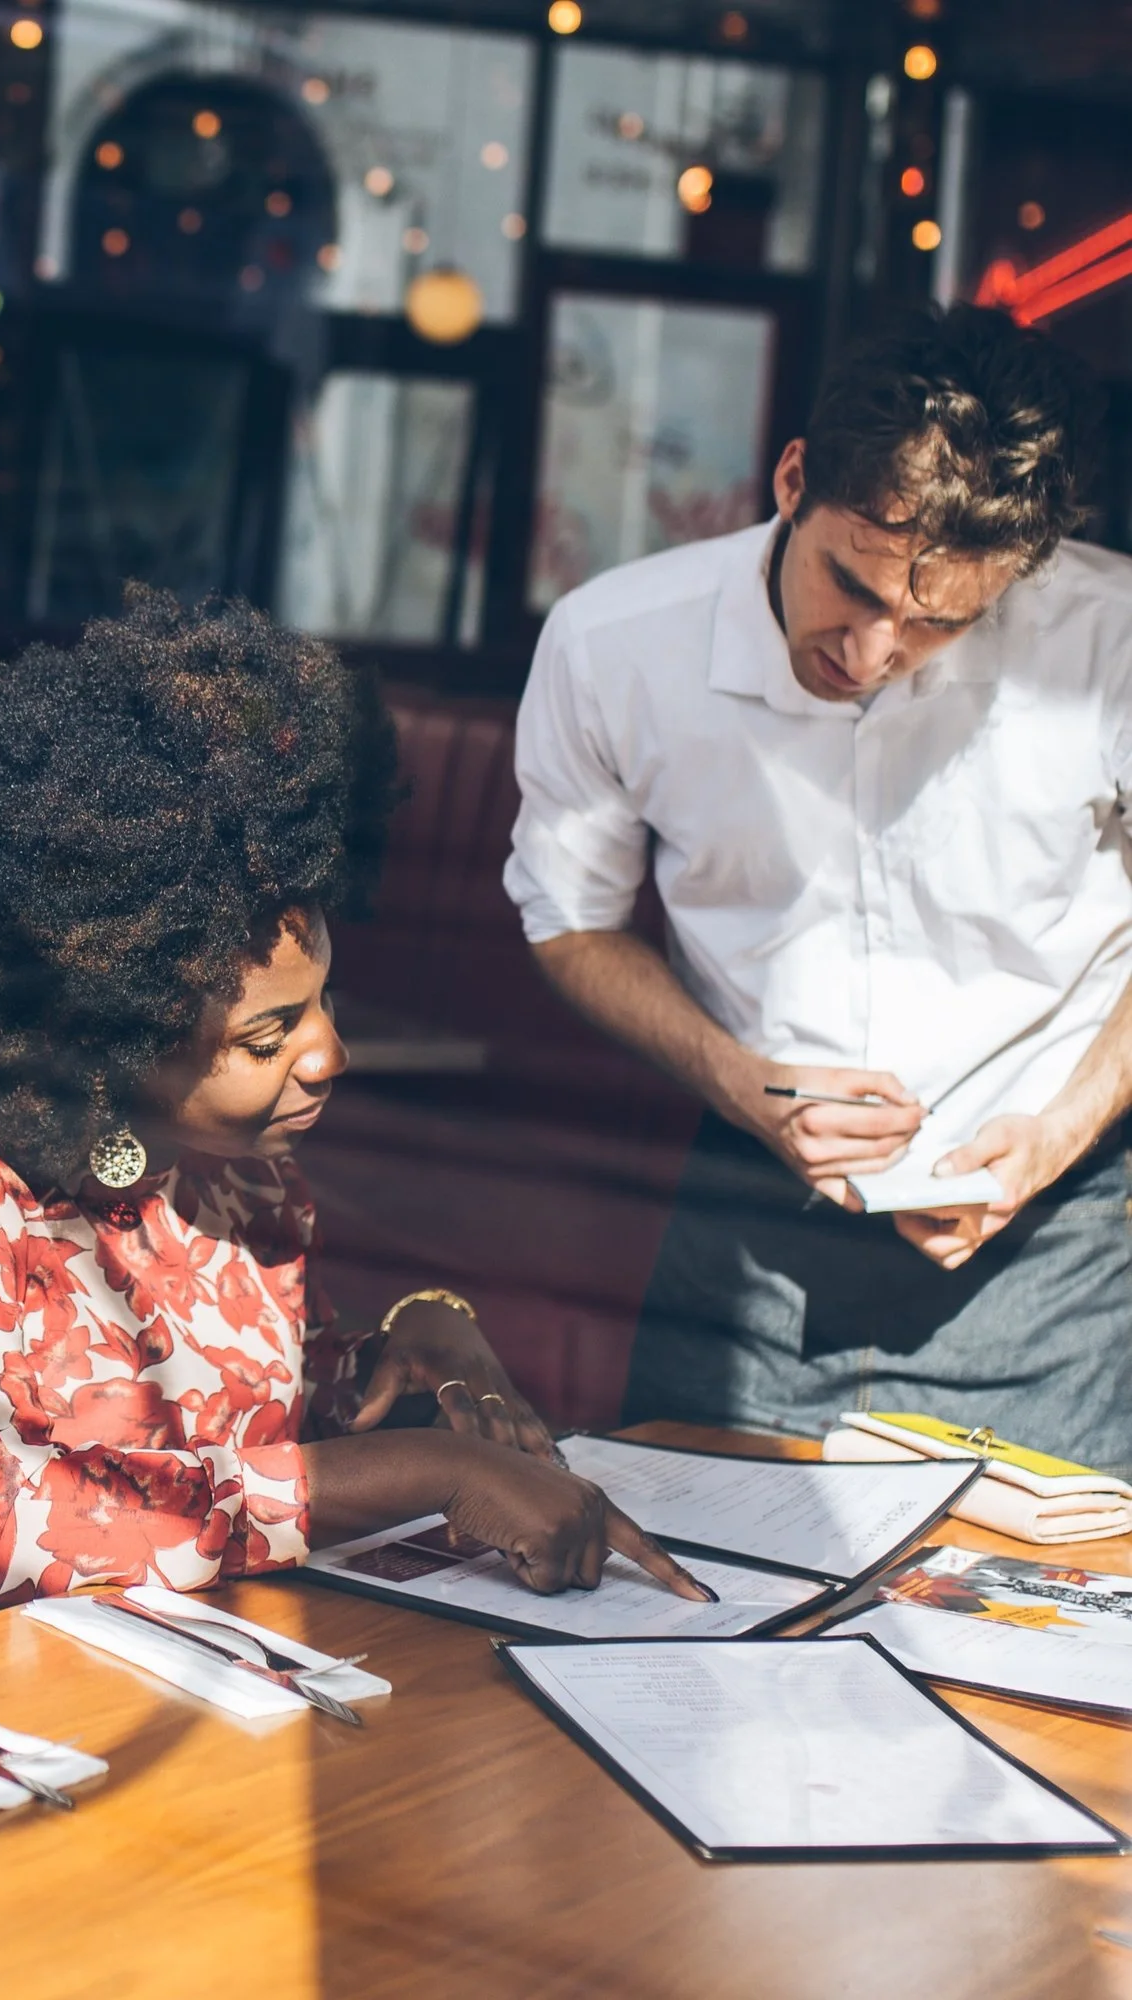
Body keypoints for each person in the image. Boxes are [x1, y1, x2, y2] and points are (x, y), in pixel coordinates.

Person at [0, 589, 706, 1648]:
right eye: (269, 1037)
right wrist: (428, 1470)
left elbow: (248, 1427)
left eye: (326, 1002)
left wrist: (403, 1343)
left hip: (180, 1674)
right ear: (106, 1027)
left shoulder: (231, 1170)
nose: (328, 1056)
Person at [506, 303, 1132, 1470]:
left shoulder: (1113, 645)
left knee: (1039, 1637)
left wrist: (1050, 1138)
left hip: (1056, 1248)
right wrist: (740, 1083)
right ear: (792, 478)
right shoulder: (611, 643)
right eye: (851, 583)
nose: (872, 649)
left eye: (940, 622)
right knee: (687, 1608)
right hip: (747, 1230)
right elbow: (570, 920)